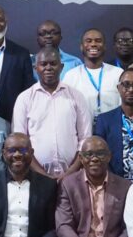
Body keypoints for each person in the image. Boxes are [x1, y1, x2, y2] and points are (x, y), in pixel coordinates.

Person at [13, 46, 92, 179]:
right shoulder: (24, 98)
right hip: (35, 176)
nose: (48, 68)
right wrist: (43, 176)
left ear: (61, 67)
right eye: (43, 64)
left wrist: (70, 173)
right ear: (35, 68)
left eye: (53, 64)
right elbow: (20, 142)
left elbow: (85, 139)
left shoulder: (76, 96)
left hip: (73, 175)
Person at [62, 29, 123, 125]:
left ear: (104, 46)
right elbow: (66, 109)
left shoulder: (118, 73)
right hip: (82, 129)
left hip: (112, 128)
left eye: (98, 41)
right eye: (88, 41)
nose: (93, 44)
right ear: (81, 47)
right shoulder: (71, 76)